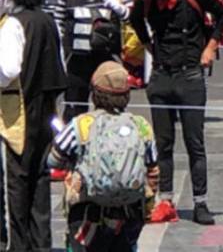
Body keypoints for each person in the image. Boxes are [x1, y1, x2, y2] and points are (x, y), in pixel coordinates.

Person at [129, 0, 223, 225]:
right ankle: (166, 199)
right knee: (163, 143)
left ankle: (200, 202)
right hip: (161, 76)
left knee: (194, 143)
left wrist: (210, 47)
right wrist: (148, 45)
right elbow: (134, 19)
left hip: (190, 76)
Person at [48, 61, 159, 252]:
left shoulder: (81, 124)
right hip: (129, 214)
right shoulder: (141, 126)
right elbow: (153, 170)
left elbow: (53, 160)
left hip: (87, 214)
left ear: (95, 93)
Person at [0, 0, 68, 251]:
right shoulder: (48, 20)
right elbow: (60, 65)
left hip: (18, 111)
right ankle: (41, 245)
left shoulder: (12, 24)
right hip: (47, 109)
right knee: (40, 182)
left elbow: (7, 70)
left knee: (15, 185)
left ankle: (18, 246)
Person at [55, 0, 134, 122]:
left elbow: (133, 18)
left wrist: (120, 8)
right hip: (76, 59)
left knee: (110, 108)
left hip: (107, 58)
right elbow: (58, 19)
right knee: (73, 109)